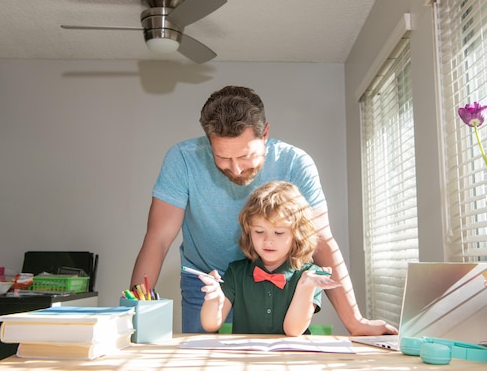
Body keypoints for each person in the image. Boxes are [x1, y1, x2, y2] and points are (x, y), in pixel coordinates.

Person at [130, 85, 397, 335]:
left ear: (265, 134)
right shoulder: (183, 159)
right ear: (208, 141)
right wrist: (133, 317)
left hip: (276, 280)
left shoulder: (296, 163)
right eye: (222, 157)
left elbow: (321, 240)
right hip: (208, 281)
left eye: (246, 156)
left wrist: (356, 323)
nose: (235, 169)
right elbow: (158, 239)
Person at [200, 181, 341, 336]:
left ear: (298, 234)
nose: (268, 240)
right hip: (247, 357)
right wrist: (214, 298)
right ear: (248, 232)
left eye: (279, 233)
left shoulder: (310, 276)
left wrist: (305, 287)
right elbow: (210, 324)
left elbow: (293, 331)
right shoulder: (236, 272)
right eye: (259, 232)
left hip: (291, 358)